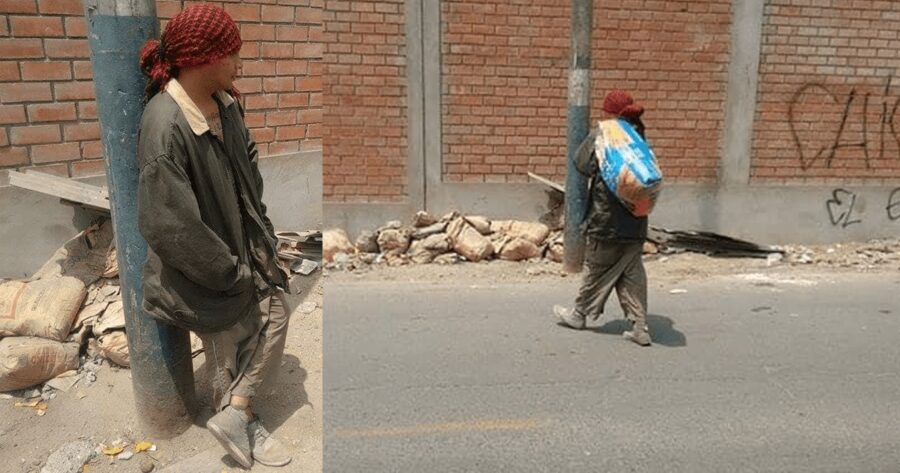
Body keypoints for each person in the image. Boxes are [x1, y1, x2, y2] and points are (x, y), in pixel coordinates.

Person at [136, 4, 293, 467]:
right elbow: (172, 228)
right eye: (233, 55)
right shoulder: (165, 125)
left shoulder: (226, 103)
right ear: (205, 58)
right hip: (205, 269)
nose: (239, 63)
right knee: (230, 346)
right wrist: (232, 273)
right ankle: (237, 416)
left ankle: (236, 412)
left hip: (242, 250)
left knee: (276, 311)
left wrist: (260, 242)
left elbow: (248, 169)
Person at [554, 90, 652, 346]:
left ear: (609, 112)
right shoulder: (637, 133)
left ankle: (579, 314)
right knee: (632, 274)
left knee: (595, 268)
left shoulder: (604, 134)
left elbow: (581, 164)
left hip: (606, 220)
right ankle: (640, 326)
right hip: (636, 219)